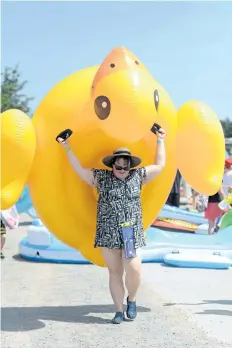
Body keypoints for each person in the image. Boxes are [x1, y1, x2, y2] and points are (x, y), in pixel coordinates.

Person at [58, 126, 166, 324]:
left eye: (126, 166)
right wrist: (66, 146)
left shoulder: (138, 175)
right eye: (119, 166)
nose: (122, 170)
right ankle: (118, 310)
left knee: (134, 269)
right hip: (108, 232)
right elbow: (79, 169)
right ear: (113, 165)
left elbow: (160, 165)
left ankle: (131, 300)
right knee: (115, 272)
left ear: (130, 166)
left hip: (130, 232)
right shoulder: (101, 177)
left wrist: (160, 140)